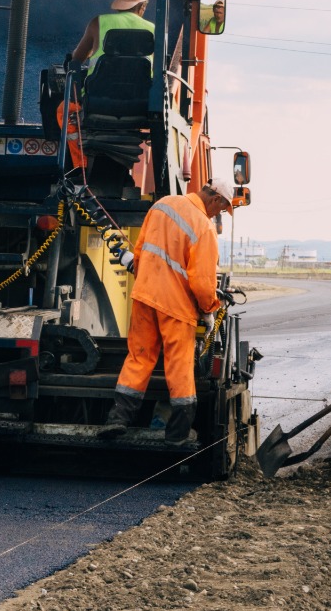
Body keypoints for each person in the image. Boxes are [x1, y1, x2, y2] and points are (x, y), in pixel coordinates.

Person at [99, 180, 233, 445]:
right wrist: (209, 309)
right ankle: (177, 434)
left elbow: (139, 252)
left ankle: (117, 419)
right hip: (176, 306)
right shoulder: (204, 228)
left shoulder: (162, 205)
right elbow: (202, 281)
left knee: (139, 357)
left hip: (144, 296)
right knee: (178, 365)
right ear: (215, 200)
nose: (218, 214)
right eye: (222, 209)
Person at [69, 0, 154, 74]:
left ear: (119, 5)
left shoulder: (97, 22)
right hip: (141, 87)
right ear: (143, 7)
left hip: (99, 87)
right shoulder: (152, 28)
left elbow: (77, 58)